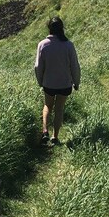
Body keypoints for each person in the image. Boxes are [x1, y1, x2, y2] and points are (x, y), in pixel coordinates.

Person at [34, 16, 80, 145]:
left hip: (49, 83)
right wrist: (76, 82)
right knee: (59, 109)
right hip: (65, 84)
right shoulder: (68, 45)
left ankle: (45, 132)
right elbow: (74, 66)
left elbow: (38, 66)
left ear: (49, 28)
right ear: (62, 28)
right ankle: (55, 137)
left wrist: (40, 81)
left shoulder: (42, 45)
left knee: (48, 106)